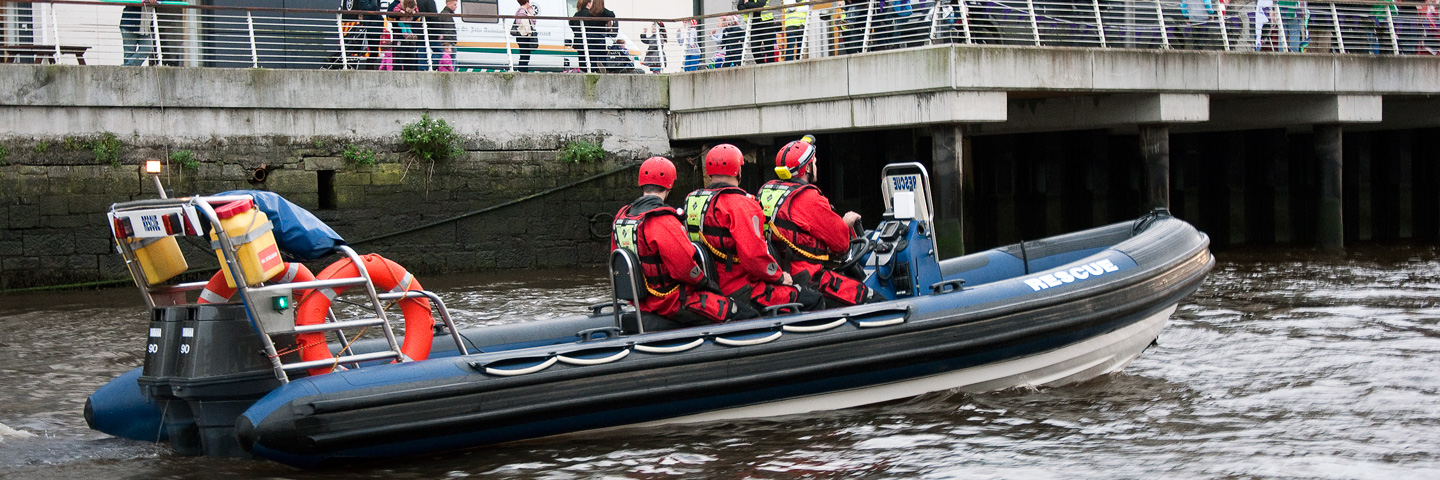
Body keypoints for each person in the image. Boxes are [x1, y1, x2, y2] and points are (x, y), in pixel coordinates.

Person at [612, 157, 759, 326]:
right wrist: (706, 283)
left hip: (643, 300)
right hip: (673, 301)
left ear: (641, 183)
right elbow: (685, 268)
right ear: (670, 185)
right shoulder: (662, 220)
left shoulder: (622, 217)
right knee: (744, 313)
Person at [685, 144, 823, 314]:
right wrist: (779, 277)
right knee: (813, 299)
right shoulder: (742, 205)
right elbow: (754, 256)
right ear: (738, 171)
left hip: (712, 284)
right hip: (741, 287)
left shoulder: (693, 200)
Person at [759, 137, 878, 308]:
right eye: (814, 162)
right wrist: (845, 223)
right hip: (809, 278)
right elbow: (841, 245)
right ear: (807, 168)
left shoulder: (766, 190)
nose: (816, 166)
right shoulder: (809, 198)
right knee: (873, 299)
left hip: (779, 275)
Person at [580, 0, 617, 73]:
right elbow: (612, 14)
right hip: (600, 36)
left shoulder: (589, 12)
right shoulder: (603, 12)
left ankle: (593, 68)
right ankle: (602, 65)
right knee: (601, 53)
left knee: (592, 54)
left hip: (590, 36)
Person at [120, 0, 159, 66]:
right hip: (130, 24)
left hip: (145, 26)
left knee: (147, 48)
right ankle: (128, 70)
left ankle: (127, 67)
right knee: (129, 52)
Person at [514, 0, 538, 72]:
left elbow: (533, 22)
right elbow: (519, 23)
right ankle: (522, 71)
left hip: (524, 36)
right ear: (527, 2)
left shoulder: (525, 11)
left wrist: (531, 14)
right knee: (524, 55)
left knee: (525, 55)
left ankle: (523, 70)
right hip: (523, 36)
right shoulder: (521, 11)